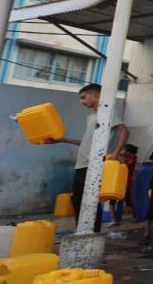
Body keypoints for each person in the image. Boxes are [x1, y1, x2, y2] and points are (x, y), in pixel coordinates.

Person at [53, 83, 129, 234]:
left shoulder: (107, 113)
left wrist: (115, 153)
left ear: (96, 95)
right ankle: (82, 229)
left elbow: (124, 131)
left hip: (94, 163)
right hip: (81, 164)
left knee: (90, 199)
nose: (82, 101)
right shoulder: (90, 118)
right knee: (77, 199)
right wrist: (63, 140)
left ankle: (92, 232)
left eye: (84, 97)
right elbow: (87, 142)